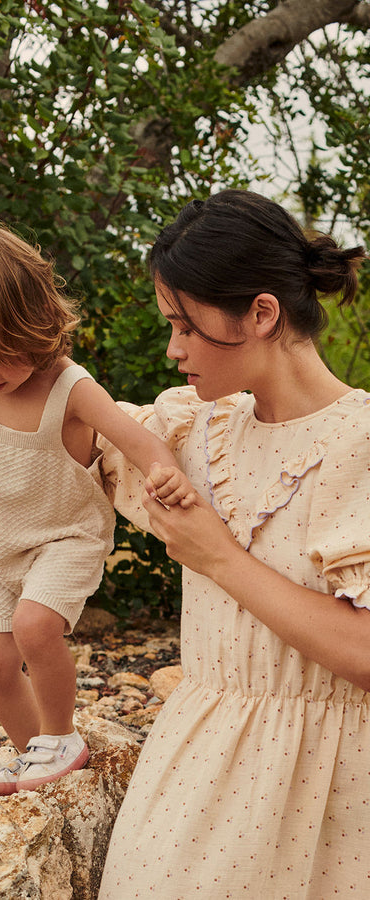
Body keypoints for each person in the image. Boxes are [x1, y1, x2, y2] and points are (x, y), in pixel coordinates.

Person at [94, 189, 370, 897]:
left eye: (184, 326)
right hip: (192, 781)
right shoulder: (195, 429)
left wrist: (217, 555)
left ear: (262, 314)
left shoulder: (361, 445)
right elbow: (60, 406)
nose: (172, 348)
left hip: (336, 803)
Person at [0, 222, 195, 798]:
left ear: (30, 327)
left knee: (35, 627)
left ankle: (62, 737)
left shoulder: (69, 387)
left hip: (64, 534)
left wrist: (166, 476)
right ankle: (35, 757)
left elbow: (139, 442)